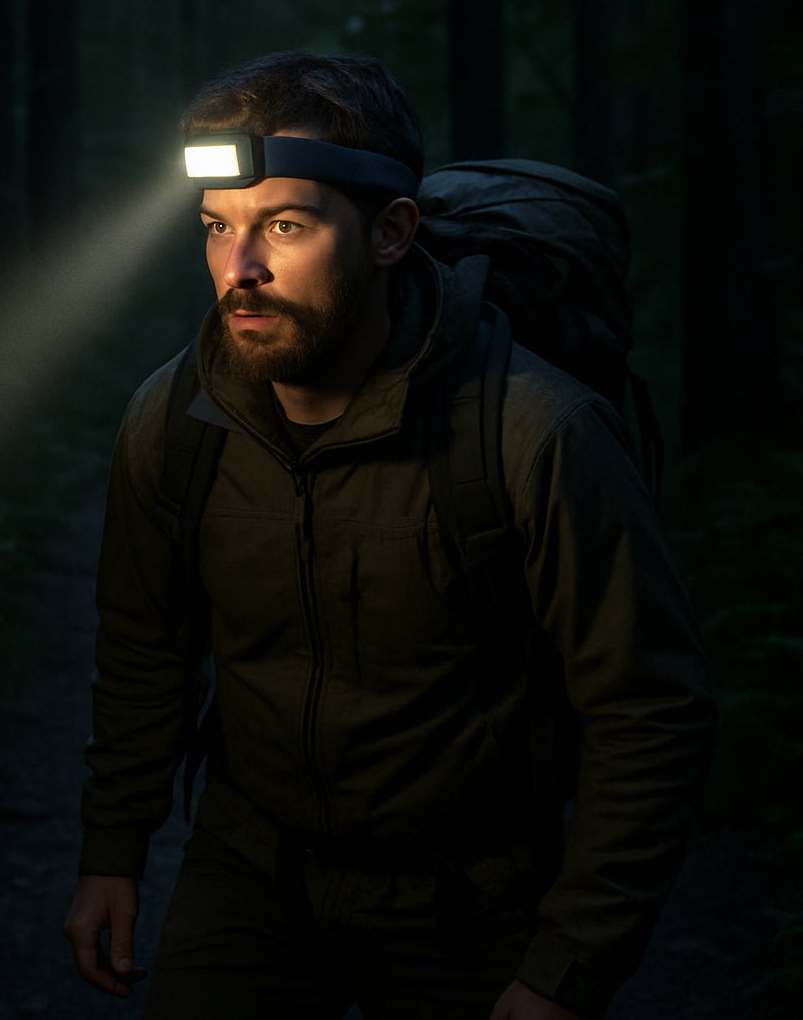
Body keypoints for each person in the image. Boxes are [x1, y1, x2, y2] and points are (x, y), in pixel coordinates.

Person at [64, 51, 716, 1020]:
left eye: (285, 225)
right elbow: (144, 650)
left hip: (470, 901)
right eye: (216, 228)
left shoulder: (535, 432)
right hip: (249, 873)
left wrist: (565, 966)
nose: (239, 269)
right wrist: (112, 852)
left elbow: (647, 708)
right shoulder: (173, 420)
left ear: (389, 234)